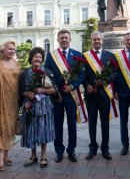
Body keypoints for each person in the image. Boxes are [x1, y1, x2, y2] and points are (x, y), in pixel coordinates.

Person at [44, 29, 86, 163]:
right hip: (56, 96)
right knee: (57, 124)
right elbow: (47, 75)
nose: (64, 40)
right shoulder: (51, 55)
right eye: (61, 38)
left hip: (71, 95)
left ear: (70, 39)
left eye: (66, 38)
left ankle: (71, 150)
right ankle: (59, 151)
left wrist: (72, 86)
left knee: (72, 124)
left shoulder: (77, 55)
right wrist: (55, 90)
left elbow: (82, 75)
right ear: (58, 40)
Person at [19, 47, 58, 168]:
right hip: (30, 107)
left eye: (40, 57)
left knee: (43, 131)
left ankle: (44, 156)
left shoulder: (47, 72)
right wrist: (26, 93)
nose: (38, 59)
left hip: (44, 107)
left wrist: (43, 90)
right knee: (31, 132)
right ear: (31, 58)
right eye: (35, 56)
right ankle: (33, 156)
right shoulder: (25, 73)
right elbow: (19, 91)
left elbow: (55, 90)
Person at [83, 32, 117, 160]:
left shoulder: (110, 56)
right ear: (91, 41)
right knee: (92, 123)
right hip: (91, 94)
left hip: (104, 94)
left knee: (104, 123)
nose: (97, 41)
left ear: (102, 41)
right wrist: (86, 85)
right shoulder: (86, 56)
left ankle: (105, 148)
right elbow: (82, 74)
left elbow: (115, 73)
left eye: (99, 39)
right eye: (94, 39)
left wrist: (106, 80)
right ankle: (92, 148)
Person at [0, 41, 20, 171]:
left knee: (10, 128)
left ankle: (6, 155)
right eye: (9, 49)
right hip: (1, 100)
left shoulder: (17, 64)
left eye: (13, 49)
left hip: (14, 101)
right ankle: (0, 159)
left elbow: (20, 82)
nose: (12, 51)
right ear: (2, 51)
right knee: (1, 127)